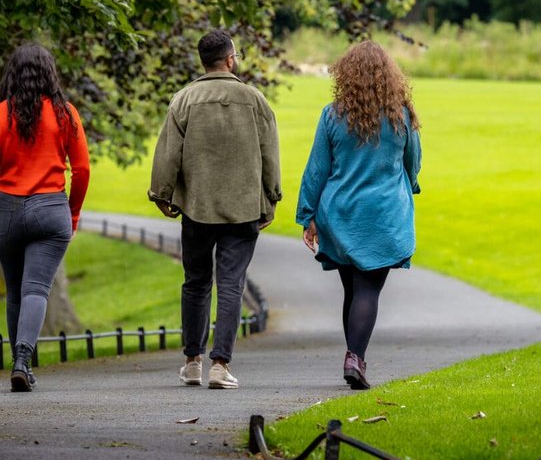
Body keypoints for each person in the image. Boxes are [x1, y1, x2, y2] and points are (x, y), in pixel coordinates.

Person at [148, 29, 281, 390]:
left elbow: (167, 152)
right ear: (230, 59)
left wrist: (162, 194)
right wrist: (271, 197)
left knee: (195, 282)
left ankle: (192, 361)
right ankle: (220, 364)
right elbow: (270, 152)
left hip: (198, 207)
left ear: (203, 60)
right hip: (243, 208)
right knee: (231, 284)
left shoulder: (184, 99)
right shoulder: (254, 100)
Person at [0, 43, 90, 393]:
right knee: (36, 289)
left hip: (8, 212)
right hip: (50, 211)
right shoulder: (66, 114)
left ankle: (20, 365)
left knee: (15, 291)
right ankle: (22, 360)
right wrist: (72, 213)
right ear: (50, 74)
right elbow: (83, 169)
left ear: (11, 75)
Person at [296, 40, 422, 390]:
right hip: (383, 215)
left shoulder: (333, 114)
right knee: (368, 289)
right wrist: (409, 186)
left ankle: (354, 355)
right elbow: (413, 163)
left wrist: (308, 214)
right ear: (390, 75)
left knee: (352, 288)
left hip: (340, 213)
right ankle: (355, 358)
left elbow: (317, 168)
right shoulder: (402, 114)